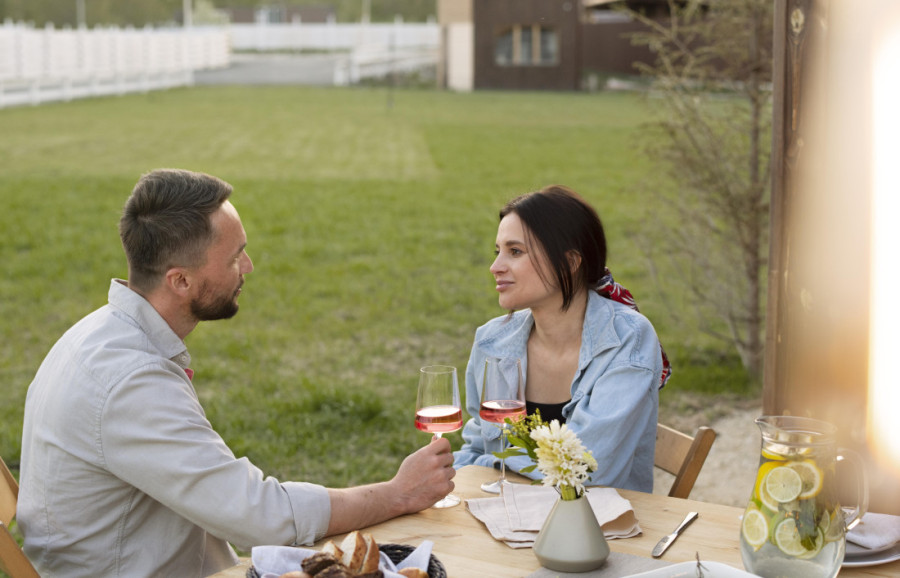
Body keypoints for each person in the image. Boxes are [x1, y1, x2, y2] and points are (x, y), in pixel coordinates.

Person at [17, 169, 455, 577]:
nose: (248, 268)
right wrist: (399, 493)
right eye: (235, 257)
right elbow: (263, 519)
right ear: (180, 281)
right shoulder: (131, 383)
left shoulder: (96, 332)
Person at [452, 185, 669, 492]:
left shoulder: (626, 339)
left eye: (515, 252)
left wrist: (491, 466)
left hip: (599, 531)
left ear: (569, 262)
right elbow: (476, 448)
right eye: (497, 251)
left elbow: (586, 471)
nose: (495, 267)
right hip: (503, 522)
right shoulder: (492, 341)